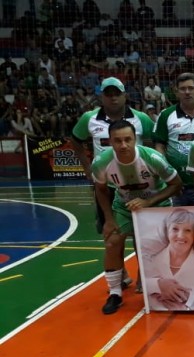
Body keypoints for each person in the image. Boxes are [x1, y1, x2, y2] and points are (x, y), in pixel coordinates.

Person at [72, 77, 154, 291]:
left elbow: (153, 145)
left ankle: (142, 277)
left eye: (117, 93)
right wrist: (88, 169)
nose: (113, 97)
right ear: (102, 96)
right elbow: (75, 140)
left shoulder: (141, 118)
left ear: (125, 95)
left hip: (139, 185)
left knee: (142, 233)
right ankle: (121, 277)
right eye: (108, 94)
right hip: (106, 185)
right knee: (112, 231)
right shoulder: (89, 119)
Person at [93, 120, 182, 314]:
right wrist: (108, 219)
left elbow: (176, 184)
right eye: (117, 141)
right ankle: (115, 293)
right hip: (124, 206)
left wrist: (148, 203)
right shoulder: (101, 162)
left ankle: (163, 287)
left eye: (128, 140)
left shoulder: (153, 158)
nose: (123, 145)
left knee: (162, 248)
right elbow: (100, 190)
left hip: (156, 205)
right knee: (112, 242)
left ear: (136, 139)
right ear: (110, 141)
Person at [153, 72, 194, 206]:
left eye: (191, 88)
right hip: (176, 186)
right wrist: (168, 178)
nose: (187, 92)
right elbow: (159, 147)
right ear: (176, 92)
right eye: (183, 89)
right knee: (176, 224)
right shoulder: (166, 115)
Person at [144, 209, 194, 310]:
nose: (181, 236)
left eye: (188, 230)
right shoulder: (151, 261)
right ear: (167, 232)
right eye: (175, 229)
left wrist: (185, 309)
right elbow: (142, 288)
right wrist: (157, 284)